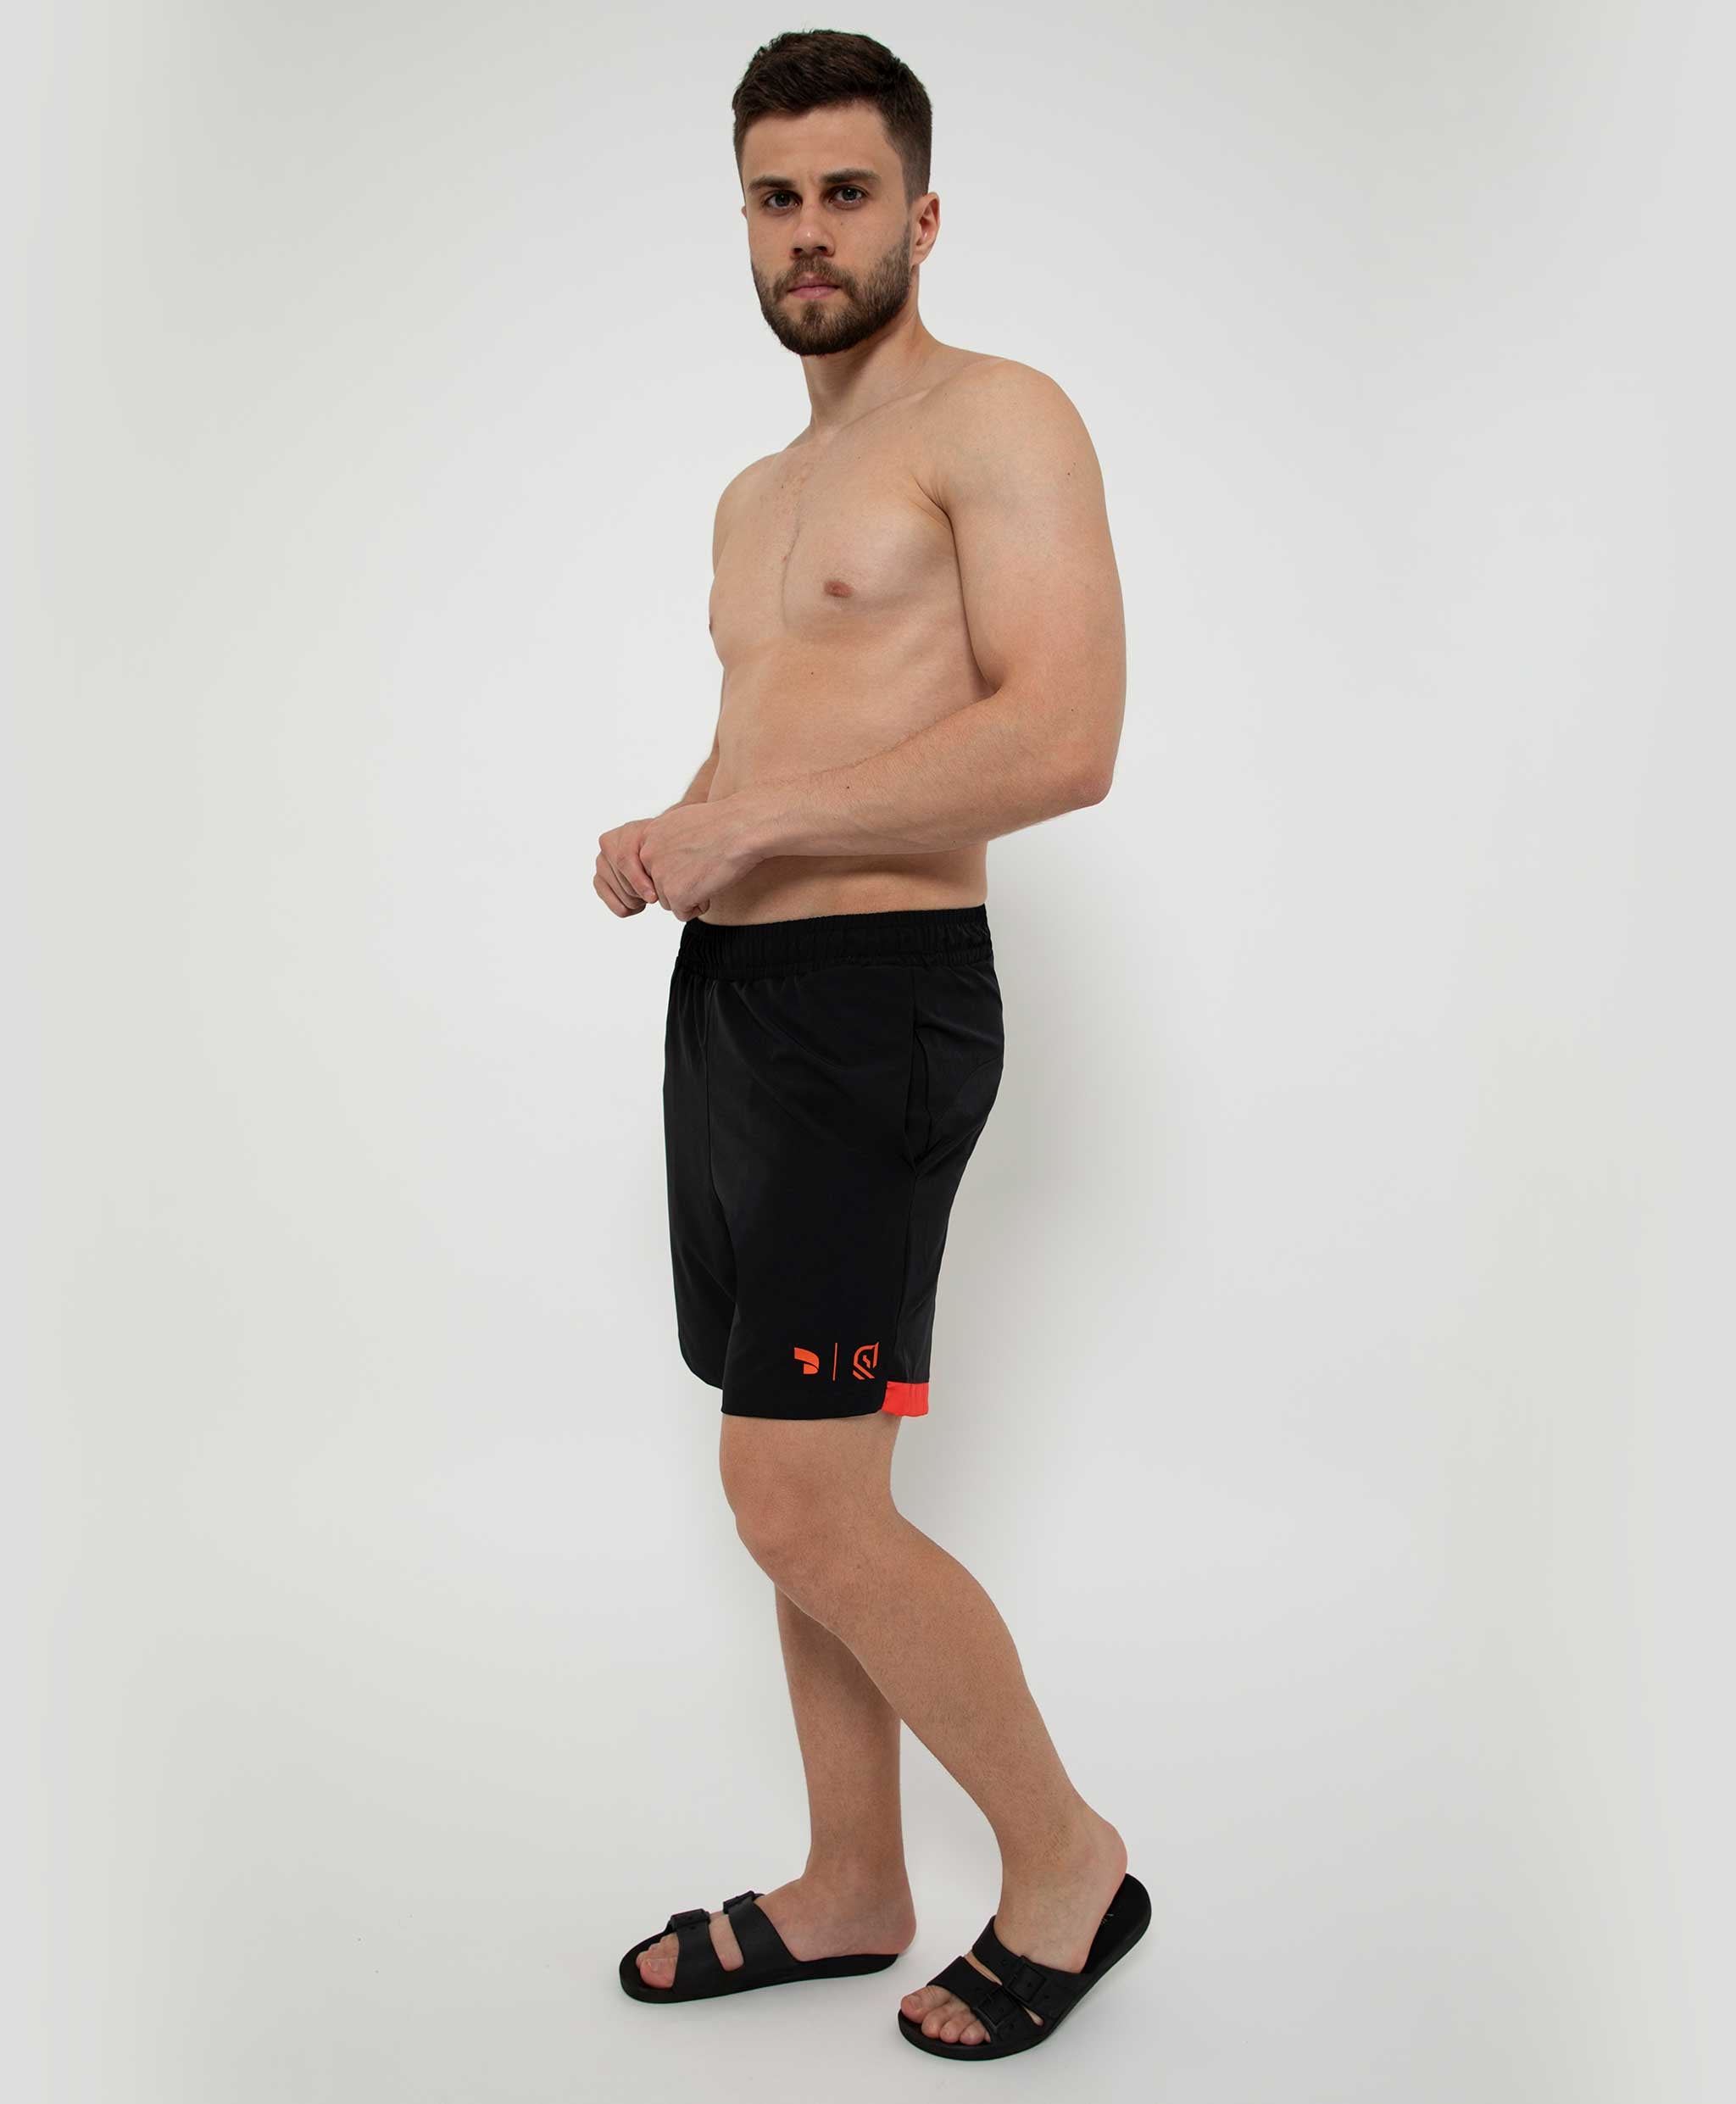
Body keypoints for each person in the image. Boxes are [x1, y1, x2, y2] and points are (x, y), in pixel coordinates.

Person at [598, 31, 1146, 2061]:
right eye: (775, 197)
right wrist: (680, 824)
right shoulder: (759, 490)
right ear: (742, 220)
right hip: (735, 1010)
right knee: (798, 1480)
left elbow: (1063, 734)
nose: (807, 233)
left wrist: (753, 827)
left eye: (843, 194)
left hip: (878, 1005)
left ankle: (1069, 1859)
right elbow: (782, 740)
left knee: (795, 1496)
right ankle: (849, 1879)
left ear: (919, 215)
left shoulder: (996, 417)